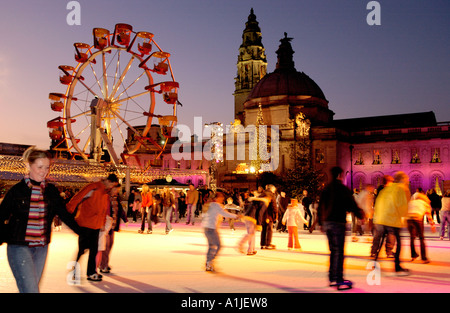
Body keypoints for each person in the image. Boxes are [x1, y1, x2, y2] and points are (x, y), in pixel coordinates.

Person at [0, 147, 80, 293]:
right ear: (29, 166)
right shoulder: (16, 191)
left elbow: (64, 214)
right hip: (19, 247)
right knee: (31, 290)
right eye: (40, 167)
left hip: (41, 247)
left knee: (30, 289)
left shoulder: (51, 191)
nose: (44, 171)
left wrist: (82, 231)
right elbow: (1, 216)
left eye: (47, 167)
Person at [317, 166, 365, 290]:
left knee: (333, 250)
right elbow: (351, 204)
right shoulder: (343, 189)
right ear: (339, 175)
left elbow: (320, 206)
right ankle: (338, 278)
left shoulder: (326, 189)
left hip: (327, 222)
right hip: (338, 222)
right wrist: (360, 215)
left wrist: (321, 223)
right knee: (339, 251)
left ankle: (332, 277)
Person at [66, 173, 119, 282]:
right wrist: (68, 211)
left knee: (94, 250)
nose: (112, 188)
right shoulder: (93, 187)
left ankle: (91, 273)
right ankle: (74, 269)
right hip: (85, 224)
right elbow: (77, 197)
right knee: (82, 250)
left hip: (96, 225)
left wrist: (103, 222)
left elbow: (103, 210)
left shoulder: (105, 193)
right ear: (108, 181)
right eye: (112, 185)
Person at [372, 171, 411, 276]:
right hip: (392, 219)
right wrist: (403, 217)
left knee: (381, 242)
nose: (407, 182)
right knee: (398, 243)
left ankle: (375, 263)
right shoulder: (400, 189)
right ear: (402, 180)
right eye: (406, 180)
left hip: (381, 219)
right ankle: (397, 267)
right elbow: (402, 206)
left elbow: (378, 203)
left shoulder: (386, 189)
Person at [202, 192, 240, 272]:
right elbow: (224, 213)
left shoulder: (209, 204)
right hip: (211, 228)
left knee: (211, 245)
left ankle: (209, 262)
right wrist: (236, 216)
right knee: (218, 245)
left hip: (206, 228)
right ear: (217, 198)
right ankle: (210, 262)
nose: (222, 199)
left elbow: (204, 216)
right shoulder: (217, 205)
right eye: (221, 197)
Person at [99, 185, 127, 274]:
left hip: (113, 225)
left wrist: (124, 218)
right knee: (105, 247)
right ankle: (103, 265)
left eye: (117, 190)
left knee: (110, 245)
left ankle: (103, 263)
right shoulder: (106, 197)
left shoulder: (116, 198)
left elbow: (119, 209)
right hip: (106, 226)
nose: (116, 191)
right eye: (116, 189)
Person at [406, 188, 435, 263]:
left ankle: (413, 255)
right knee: (421, 238)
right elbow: (429, 215)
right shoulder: (425, 203)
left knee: (412, 238)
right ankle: (424, 257)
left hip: (409, 219)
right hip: (417, 218)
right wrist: (432, 225)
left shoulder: (411, 202)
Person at [371, 175, 395, 258]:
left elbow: (375, 202)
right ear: (389, 182)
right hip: (389, 216)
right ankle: (389, 251)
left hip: (379, 215)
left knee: (378, 235)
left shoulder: (379, 190)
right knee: (391, 233)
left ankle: (373, 251)